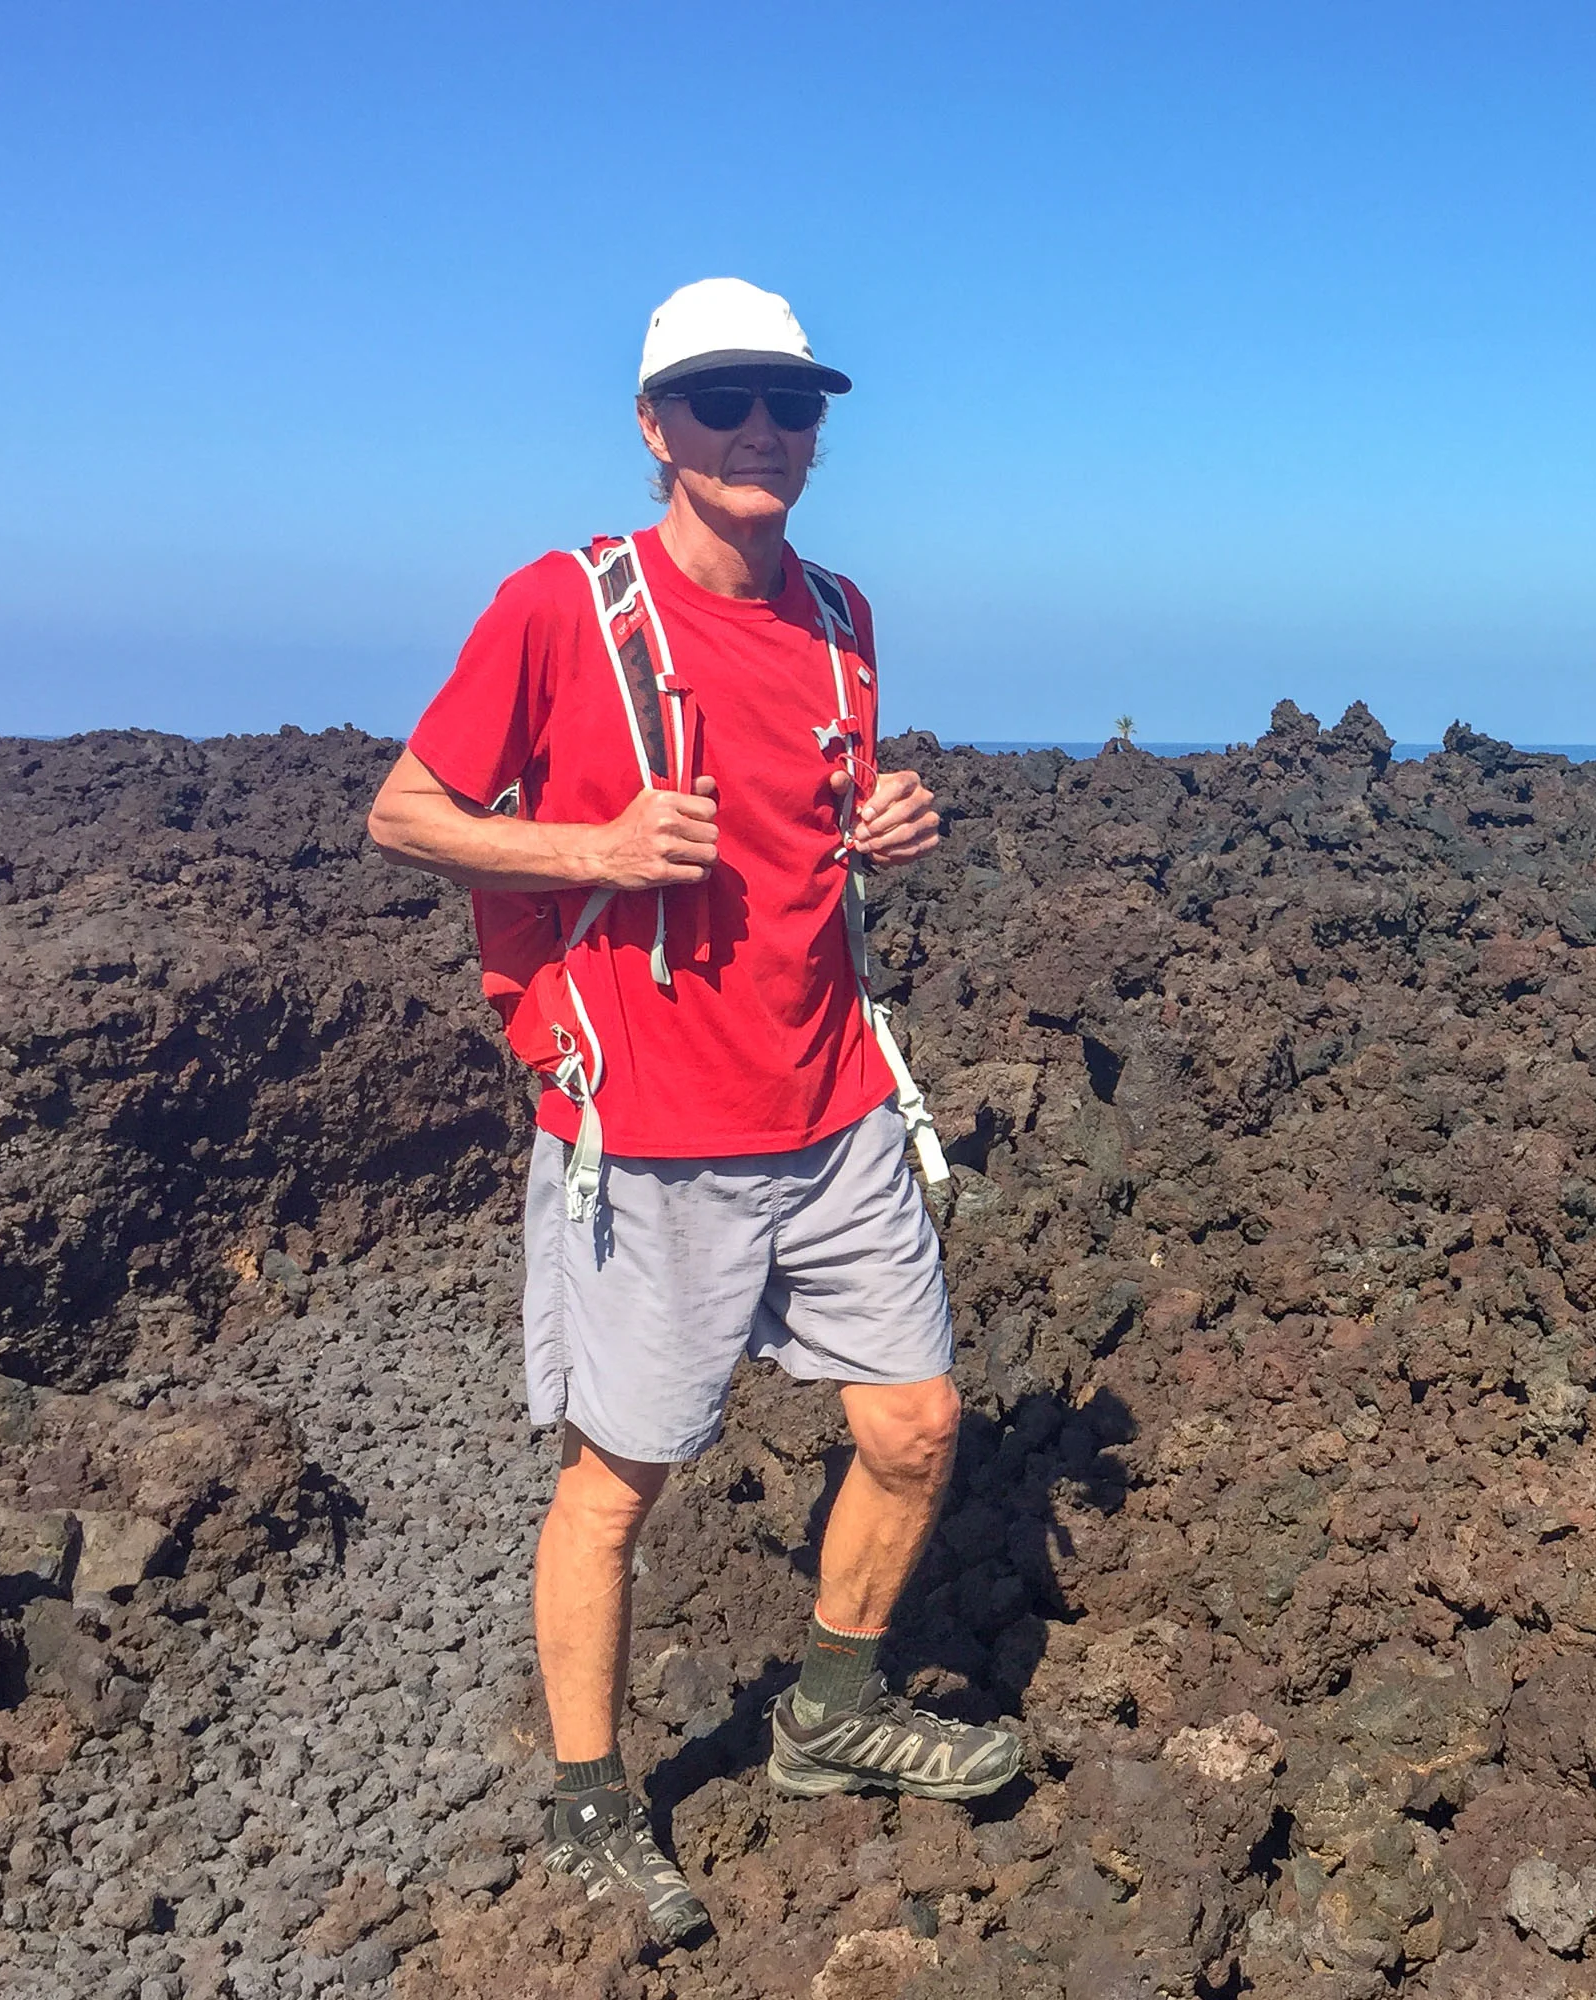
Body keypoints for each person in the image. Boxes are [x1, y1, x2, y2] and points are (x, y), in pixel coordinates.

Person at [365, 278, 1019, 1947]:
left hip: (835, 1097)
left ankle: (827, 1712)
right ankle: (593, 1808)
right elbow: (405, 811)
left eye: (792, 406)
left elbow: (823, 817)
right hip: (650, 1129)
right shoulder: (564, 608)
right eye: (725, 402)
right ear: (655, 426)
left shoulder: (846, 615)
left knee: (916, 1424)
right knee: (621, 1477)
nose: (764, 434)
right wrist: (587, 848)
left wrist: (888, 814)